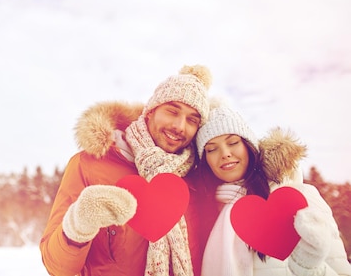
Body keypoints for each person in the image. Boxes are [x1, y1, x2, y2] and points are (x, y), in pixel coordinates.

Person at [39, 65, 216, 276]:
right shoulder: (89, 165)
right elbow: (56, 268)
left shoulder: (199, 177)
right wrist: (78, 224)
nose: (180, 126)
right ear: (150, 112)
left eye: (192, 120)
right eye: (172, 111)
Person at [195, 99, 351, 276]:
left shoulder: (300, 198)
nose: (225, 154)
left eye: (233, 143)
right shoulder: (207, 212)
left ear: (249, 147)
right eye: (211, 149)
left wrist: (309, 268)